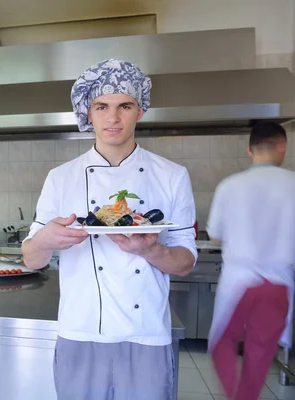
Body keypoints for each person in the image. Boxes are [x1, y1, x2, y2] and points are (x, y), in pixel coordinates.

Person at [21, 59, 197, 399]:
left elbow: (186, 262)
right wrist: (44, 240)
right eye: (102, 106)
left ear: (140, 111)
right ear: (89, 113)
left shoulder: (172, 176)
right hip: (80, 332)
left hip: (146, 334)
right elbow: (31, 260)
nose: (113, 118)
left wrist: (149, 249)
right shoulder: (61, 178)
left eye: (124, 106)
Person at [207, 121, 295, 400]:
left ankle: (234, 394)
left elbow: (216, 237)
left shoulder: (230, 186)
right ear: (282, 147)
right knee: (259, 355)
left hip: (239, 282)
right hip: (279, 284)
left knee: (221, 344)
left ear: (249, 150)